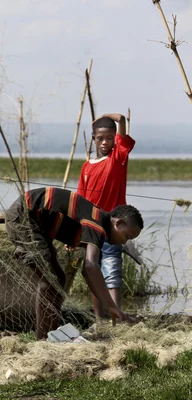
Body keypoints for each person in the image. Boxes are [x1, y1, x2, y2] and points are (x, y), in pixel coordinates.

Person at [5, 187, 143, 340]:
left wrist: (110, 306)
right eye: (126, 236)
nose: (124, 242)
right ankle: (42, 341)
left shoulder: (97, 222)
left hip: (37, 222)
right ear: (119, 223)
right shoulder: (97, 224)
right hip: (25, 216)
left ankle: (52, 335)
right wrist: (111, 306)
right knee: (50, 280)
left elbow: (88, 272)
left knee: (58, 278)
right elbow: (91, 266)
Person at [77, 114, 135, 320]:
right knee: (94, 274)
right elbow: (80, 202)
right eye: (100, 138)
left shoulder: (118, 159)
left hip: (112, 229)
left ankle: (117, 318)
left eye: (109, 138)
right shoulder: (87, 166)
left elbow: (121, 126)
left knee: (112, 271)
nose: (105, 142)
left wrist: (114, 117)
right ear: (93, 138)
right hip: (91, 229)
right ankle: (100, 320)